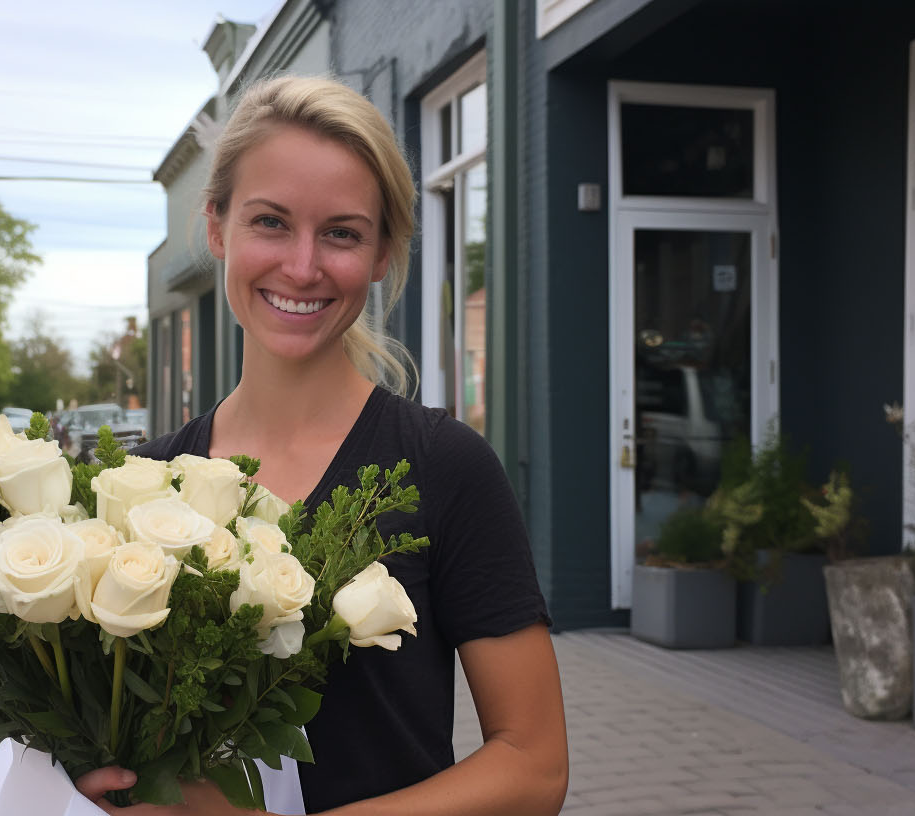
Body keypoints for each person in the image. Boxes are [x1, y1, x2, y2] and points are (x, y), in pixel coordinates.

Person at [76, 75, 568, 816]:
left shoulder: (443, 467)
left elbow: (534, 769)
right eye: (270, 222)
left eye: (341, 232)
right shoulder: (141, 487)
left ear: (380, 253)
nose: (303, 267)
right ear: (218, 228)